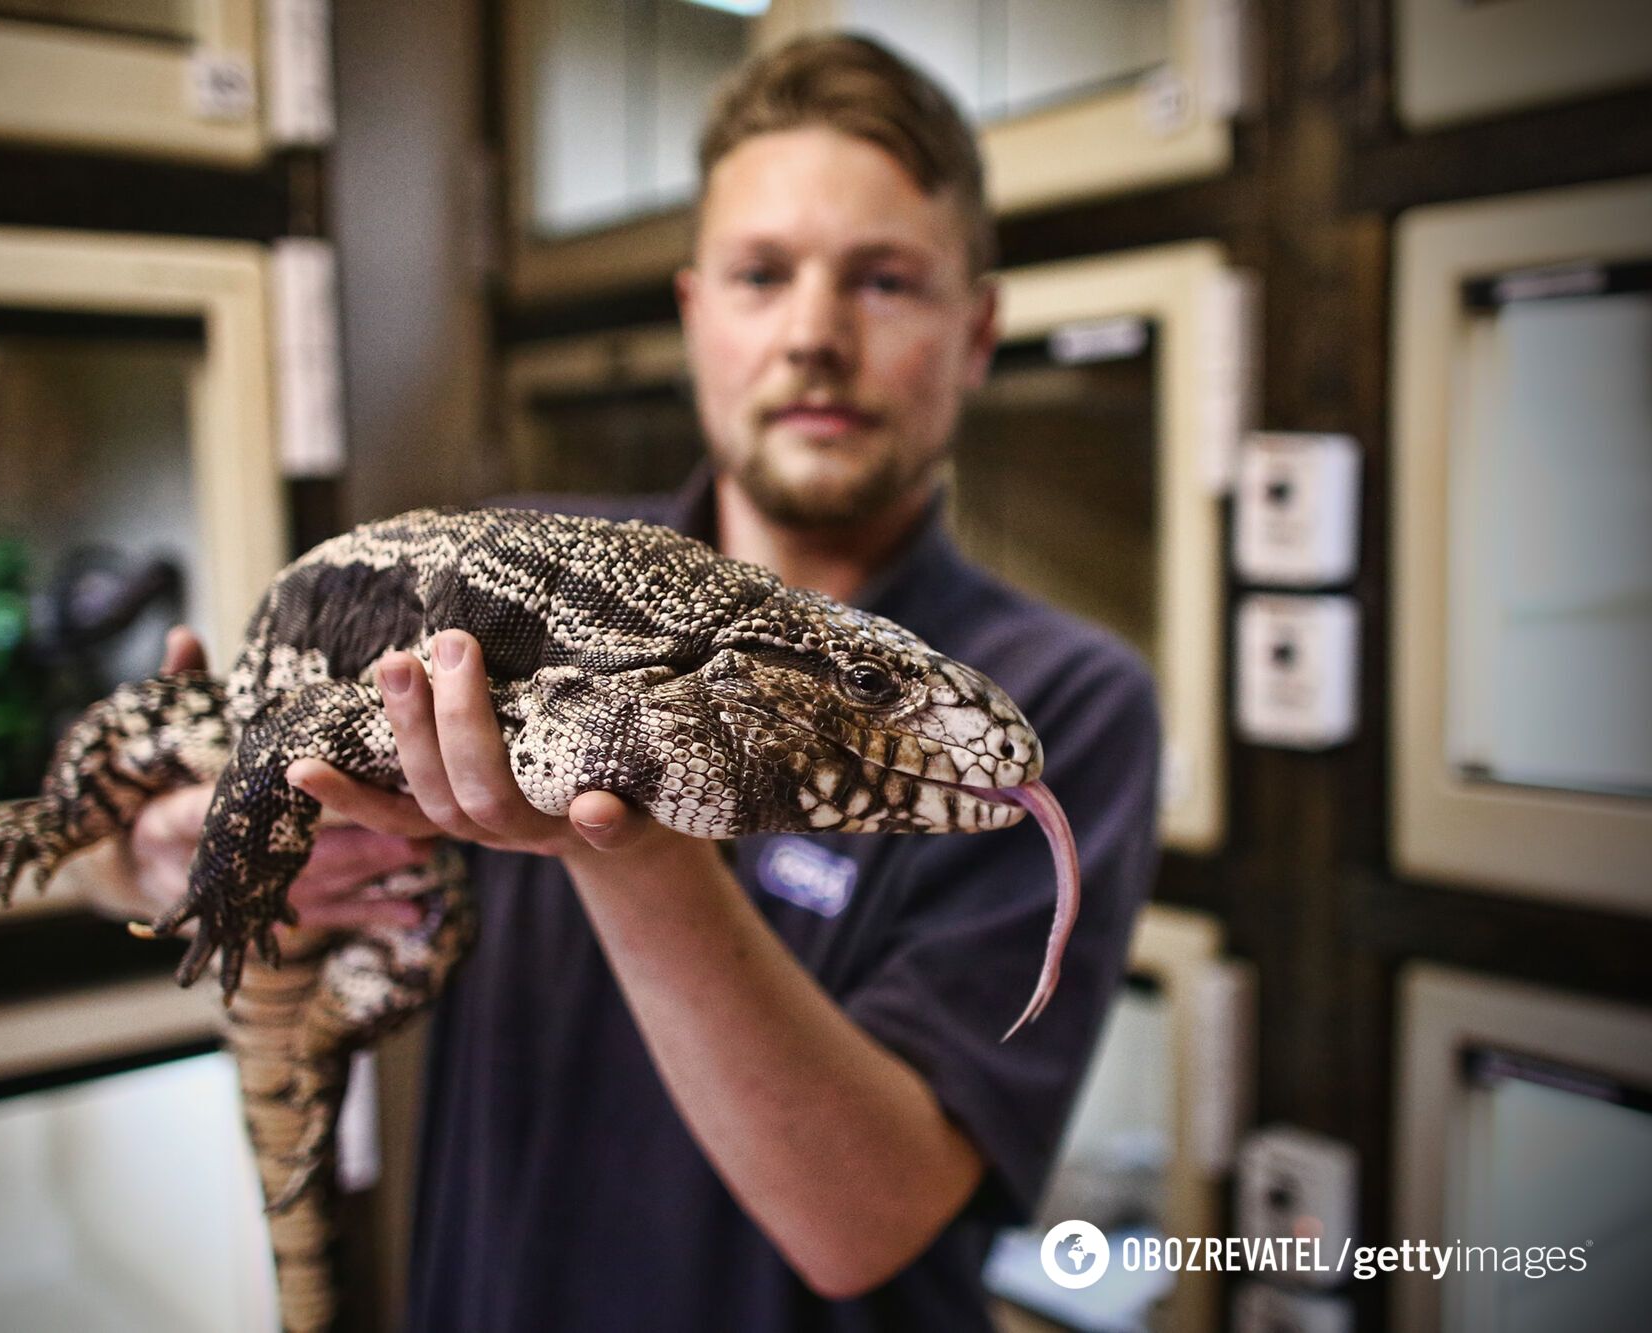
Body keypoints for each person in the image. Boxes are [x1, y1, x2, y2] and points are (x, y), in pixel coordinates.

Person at [105, 33, 1161, 1331]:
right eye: (762, 274)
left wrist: (630, 840)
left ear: (978, 328)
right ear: (694, 311)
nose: (815, 335)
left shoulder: (1059, 704)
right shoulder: (508, 574)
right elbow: (142, 855)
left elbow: (863, 1222)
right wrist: (183, 850)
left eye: (885, 281)